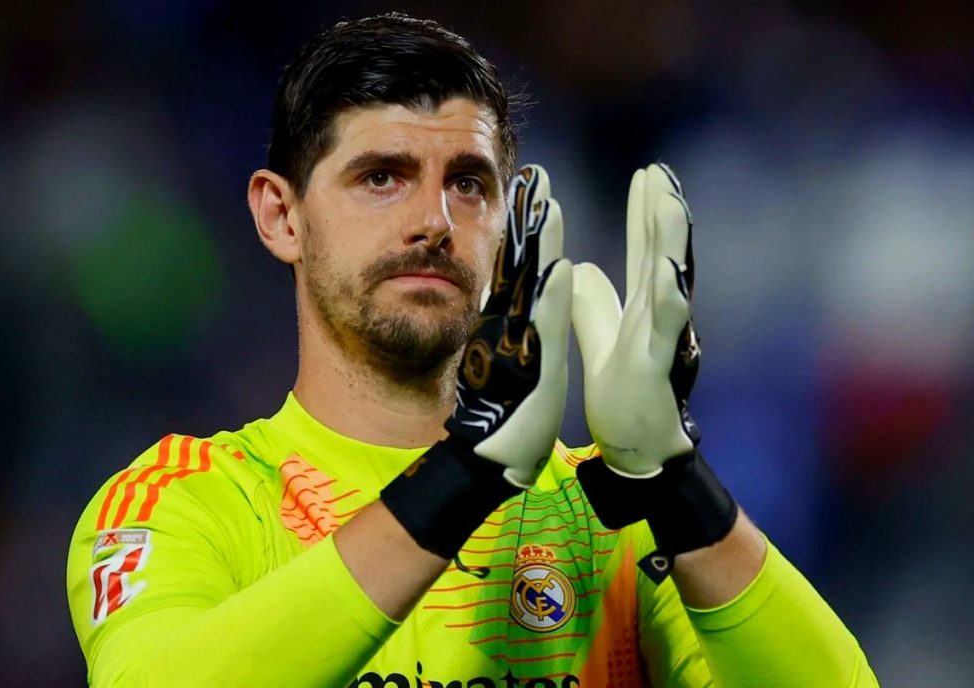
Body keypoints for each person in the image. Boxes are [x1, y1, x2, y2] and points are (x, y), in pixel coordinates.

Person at [66, 13, 879, 687]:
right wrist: (466, 475)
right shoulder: (187, 503)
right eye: (381, 176)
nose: (434, 220)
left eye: (469, 182)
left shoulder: (608, 517)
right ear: (281, 216)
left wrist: (674, 481)